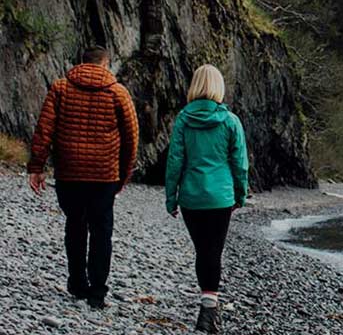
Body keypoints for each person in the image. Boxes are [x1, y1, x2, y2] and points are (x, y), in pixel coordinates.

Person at [27, 45, 139, 309]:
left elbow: (44, 130)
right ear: (105, 64)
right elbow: (131, 138)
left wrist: (36, 166)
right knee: (102, 231)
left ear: (82, 62)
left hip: (69, 173)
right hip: (104, 175)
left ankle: (77, 283)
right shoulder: (117, 92)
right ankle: (97, 293)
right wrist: (123, 174)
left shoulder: (60, 88)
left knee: (75, 224)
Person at [165, 64, 248, 334]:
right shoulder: (230, 121)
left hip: (191, 196)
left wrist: (171, 197)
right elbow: (240, 163)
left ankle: (209, 309)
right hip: (220, 196)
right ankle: (209, 309)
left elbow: (175, 161)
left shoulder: (183, 120)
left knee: (203, 251)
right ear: (219, 87)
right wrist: (241, 193)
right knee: (214, 251)